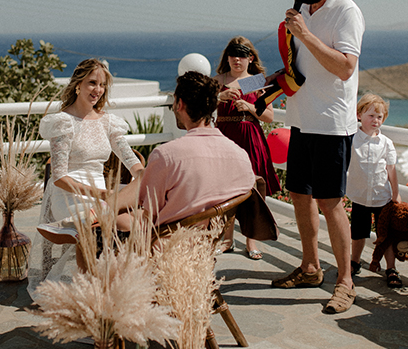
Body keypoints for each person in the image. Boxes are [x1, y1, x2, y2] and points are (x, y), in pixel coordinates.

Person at [271, 0, 365, 314]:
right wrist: (267, 84)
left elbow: (345, 67)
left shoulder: (347, 11)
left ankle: (346, 282)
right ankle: (310, 268)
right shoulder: (304, 10)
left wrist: (306, 34)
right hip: (301, 118)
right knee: (299, 194)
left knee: (330, 202)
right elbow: (300, 66)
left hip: (331, 124)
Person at [27, 58, 144, 298]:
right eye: (92, 83)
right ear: (78, 84)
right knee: (123, 223)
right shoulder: (63, 122)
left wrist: (142, 174)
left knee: (137, 222)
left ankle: (116, 283)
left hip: (102, 196)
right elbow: (59, 178)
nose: (97, 90)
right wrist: (101, 194)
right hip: (69, 195)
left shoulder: (108, 122)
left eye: (102, 85)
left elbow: (130, 159)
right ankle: (95, 286)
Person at [130, 70, 256, 228]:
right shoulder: (241, 156)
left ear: (180, 104)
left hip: (168, 239)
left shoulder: (165, 156)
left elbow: (148, 217)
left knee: (116, 219)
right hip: (211, 239)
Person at [215, 36, 280, 258]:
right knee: (225, 189)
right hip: (224, 138)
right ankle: (227, 239)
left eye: (242, 55)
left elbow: (269, 116)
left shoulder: (255, 82)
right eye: (233, 54)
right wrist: (219, 97)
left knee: (253, 189)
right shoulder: (219, 80)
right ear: (227, 57)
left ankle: (251, 242)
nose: (237, 59)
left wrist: (250, 107)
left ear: (250, 58)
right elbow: (200, 105)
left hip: (250, 138)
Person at [347, 93, 402, 286]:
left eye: (379, 117)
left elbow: (391, 170)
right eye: (371, 115)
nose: (375, 120)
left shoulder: (386, 143)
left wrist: (396, 194)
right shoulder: (352, 139)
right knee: (358, 233)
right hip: (360, 197)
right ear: (359, 115)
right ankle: (354, 262)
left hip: (382, 198)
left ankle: (391, 268)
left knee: (384, 236)